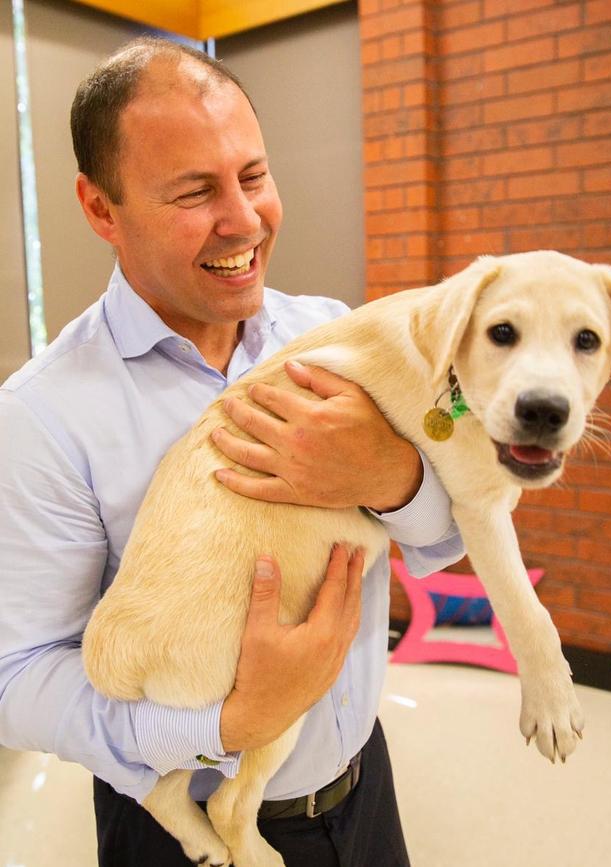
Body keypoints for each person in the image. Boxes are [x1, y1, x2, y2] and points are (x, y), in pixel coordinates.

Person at [0, 37, 464, 867]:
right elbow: (17, 678)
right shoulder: (43, 417)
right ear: (101, 209)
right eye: (195, 191)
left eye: (253, 175)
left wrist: (391, 477)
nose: (245, 221)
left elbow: (442, 547)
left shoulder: (330, 334)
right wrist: (223, 725)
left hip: (364, 791)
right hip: (181, 835)